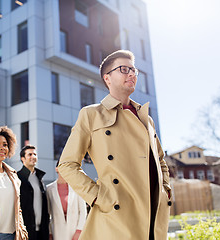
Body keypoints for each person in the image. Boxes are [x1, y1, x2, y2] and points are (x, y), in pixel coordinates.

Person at [57, 50, 172, 240]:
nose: (132, 74)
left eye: (134, 70)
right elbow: (67, 164)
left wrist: (165, 189)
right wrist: (98, 197)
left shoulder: (146, 118)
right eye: (124, 69)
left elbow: (160, 160)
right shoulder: (91, 114)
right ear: (107, 78)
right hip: (118, 214)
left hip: (154, 212)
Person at [46, 162, 87, 240]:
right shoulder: (49, 189)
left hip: (75, 231)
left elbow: (83, 211)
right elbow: (48, 214)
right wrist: (50, 233)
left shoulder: (76, 187)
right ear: (56, 169)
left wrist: (79, 231)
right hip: (57, 231)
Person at [17, 145, 49, 240]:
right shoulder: (17, 178)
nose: (33, 156)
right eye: (29, 154)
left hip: (42, 230)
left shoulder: (39, 178)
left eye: (35, 154)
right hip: (25, 230)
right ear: (23, 159)